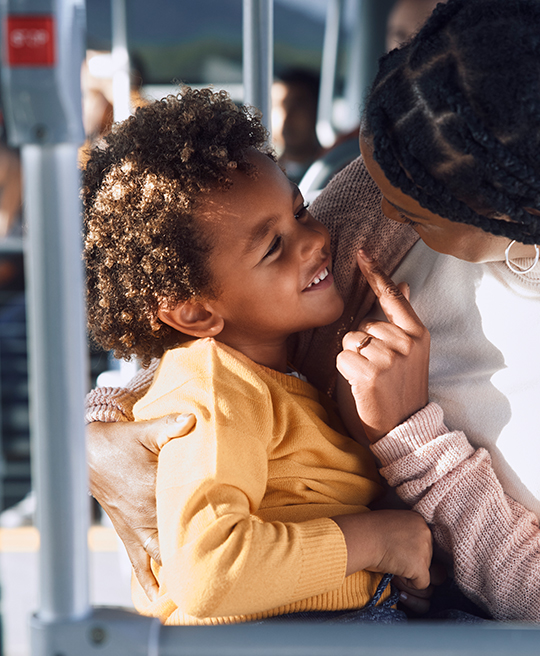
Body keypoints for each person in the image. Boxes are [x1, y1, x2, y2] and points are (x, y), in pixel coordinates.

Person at [86, 0, 540, 622]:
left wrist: (407, 441)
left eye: (411, 209)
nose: (325, 231)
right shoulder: (391, 183)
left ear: (505, 214)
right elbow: (208, 347)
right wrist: (98, 434)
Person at [83, 87, 433, 625]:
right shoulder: (214, 387)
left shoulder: (266, 379)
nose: (314, 239)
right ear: (196, 314)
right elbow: (210, 572)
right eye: (273, 247)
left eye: (298, 210)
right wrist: (384, 541)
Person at [271, 69, 323, 184]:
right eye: (278, 105)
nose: (287, 116)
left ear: (316, 109)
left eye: (298, 105)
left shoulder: (336, 168)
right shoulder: (261, 173)